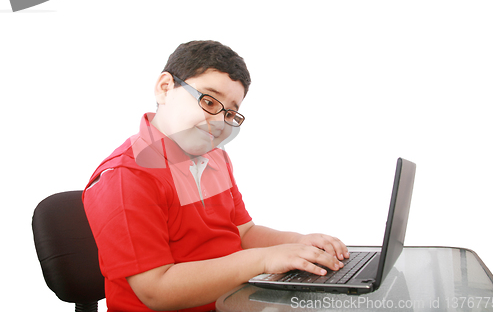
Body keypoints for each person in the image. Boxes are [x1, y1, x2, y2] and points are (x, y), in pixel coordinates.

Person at [82, 40, 349, 312]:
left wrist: (297, 242)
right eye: (208, 101)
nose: (221, 122)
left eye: (230, 113)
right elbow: (155, 290)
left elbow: (244, 232)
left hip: (233, 301)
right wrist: (264, 260)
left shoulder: (215, 157)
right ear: (165, 88)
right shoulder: (126, 176)